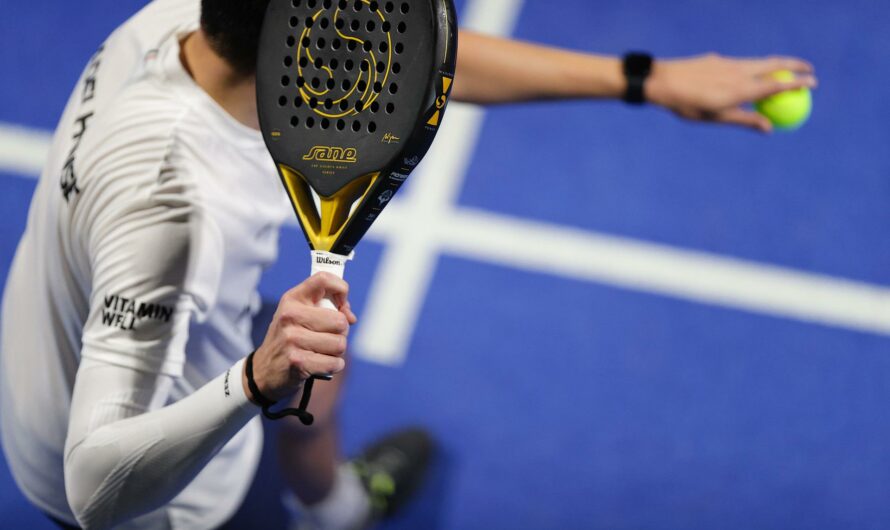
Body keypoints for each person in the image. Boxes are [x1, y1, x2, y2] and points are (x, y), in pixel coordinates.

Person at [0, 0, 817, 529]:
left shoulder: (189, 19)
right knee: (291, 376)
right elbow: (95, 485)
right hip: (147, 491)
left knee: (322, 376)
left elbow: (420, 54)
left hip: (73, 336)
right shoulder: (181, 211)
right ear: (310, 42)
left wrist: (642, 78)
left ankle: (337, 507)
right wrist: (252, 378)